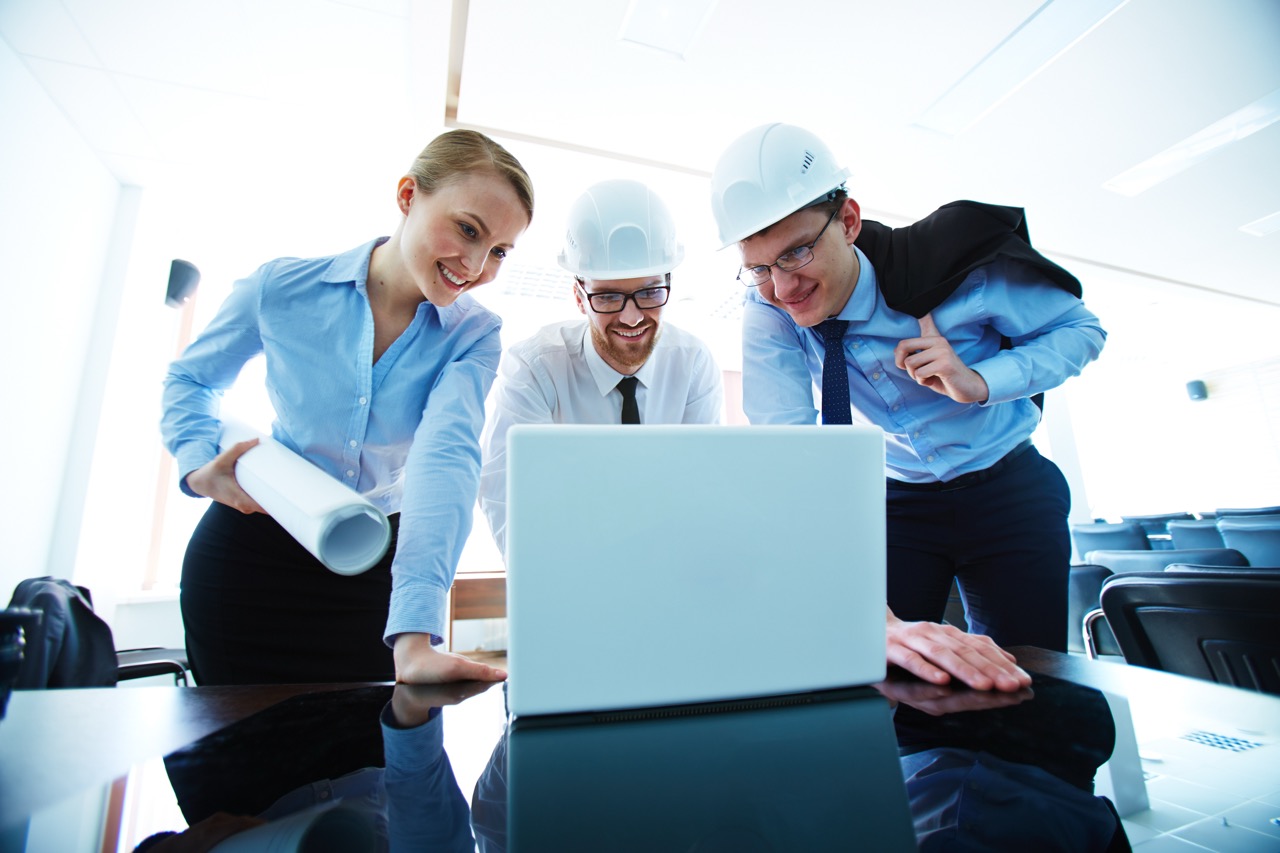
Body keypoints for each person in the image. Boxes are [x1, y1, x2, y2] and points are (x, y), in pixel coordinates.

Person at [710, 123, 1106, 692]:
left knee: (1024, 681)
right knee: (886, 673)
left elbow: (1080, 329)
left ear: (848, 222)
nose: (782, 286)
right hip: (898, 502)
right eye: (760, 266)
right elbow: (789, 456)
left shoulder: (953, 270)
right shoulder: (767, 309)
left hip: (1008, 491)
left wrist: (980, 380)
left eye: (796, 252)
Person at [160, 129, 531, 686]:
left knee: (366, 755)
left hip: (373, 565)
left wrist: (414, 635)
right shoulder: (281, 288)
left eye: (499, 251)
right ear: (408, 195)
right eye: (467, 229)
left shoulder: (474, 333)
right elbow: (191, 377)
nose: (477, 264)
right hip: (251, 553)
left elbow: (446, 459)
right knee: (238, 755)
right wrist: (196, 465)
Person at [478, 178, 722, 557]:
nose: (631, 316)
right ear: (579, 297)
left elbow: (699, 489)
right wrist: (553, 584)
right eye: (607, 296)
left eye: (649, 292)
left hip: (669, 568)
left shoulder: (693, 365)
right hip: (571, 563)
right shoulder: (535, 368)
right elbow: (508, 496)